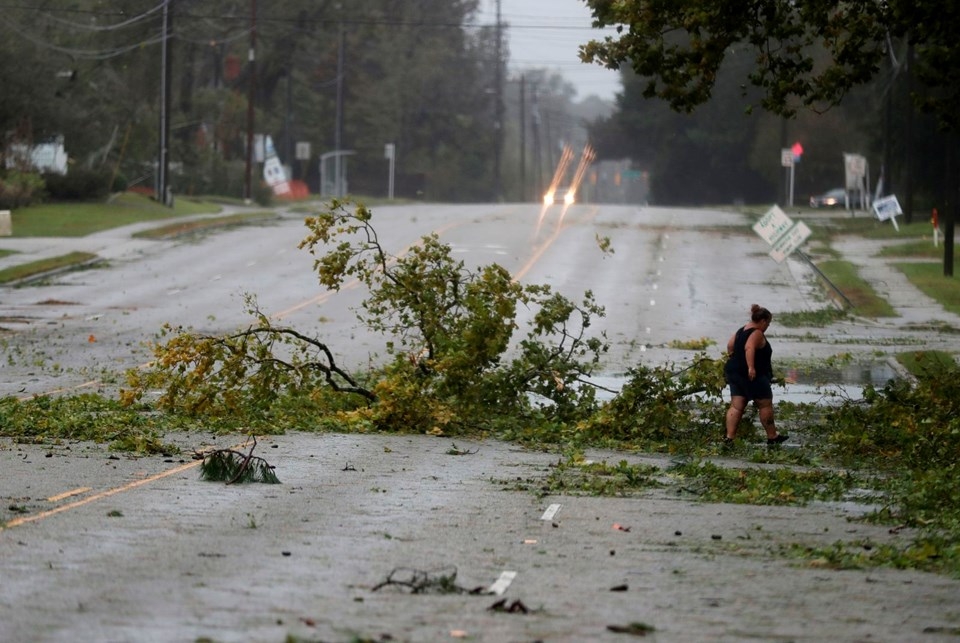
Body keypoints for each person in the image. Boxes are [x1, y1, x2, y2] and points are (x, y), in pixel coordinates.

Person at [723, 304, 788, 446]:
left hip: (735, 372)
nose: (767, 327)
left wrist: (734, 360)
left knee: (736, 406)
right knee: (765, 404)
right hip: (753, 376)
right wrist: (751, 367)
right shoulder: (757, 333)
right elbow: (749, 347)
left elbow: (730, 346)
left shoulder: (741, 330)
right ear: (763, 321)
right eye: (768, 323)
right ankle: (772, 437)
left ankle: (729, 438)